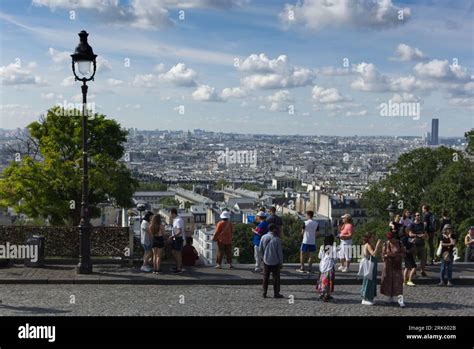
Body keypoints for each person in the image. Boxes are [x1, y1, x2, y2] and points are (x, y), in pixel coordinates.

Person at [380, 231, 406, 308]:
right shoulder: (386, 244)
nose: (390, 240)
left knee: (398, 282)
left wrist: (396, 254)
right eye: (389, 239)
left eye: (391, 239)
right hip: (388, 266)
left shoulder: (400, 243)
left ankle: (400, 300)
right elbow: (382, 255)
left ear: (394, 238)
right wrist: (386, 255)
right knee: (388, 281)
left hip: (397, 266)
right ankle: (390, 297)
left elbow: (404, 254)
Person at [259, 223, 284, 299]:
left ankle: (264, 292)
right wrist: (281, 263)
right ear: (274, 229)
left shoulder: (263, 237)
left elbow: (260, 249)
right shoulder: (277, 239)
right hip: (275, 261)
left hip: (266, 261)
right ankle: (276, 293)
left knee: (265, 277)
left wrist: (263, 257)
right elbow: (279, 253)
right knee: (276, 278)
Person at [360, 233, 382, 305]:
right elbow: (374, 254)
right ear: (369, 238)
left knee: (370, 281)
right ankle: (365, 298)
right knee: (369, 281)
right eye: (372, 237)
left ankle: (369, 297)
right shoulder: (368, 245)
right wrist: (377, 245)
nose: (373, 238)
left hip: (370, 264)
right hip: (370, 265)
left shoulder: (366, 244)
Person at [317, 235, 337, 302]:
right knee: (329, 280)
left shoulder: (322, 247)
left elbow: (319, 256)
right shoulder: (333, 248)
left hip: (322, 265)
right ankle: (327, 294)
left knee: (322, 279)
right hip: (330, 265)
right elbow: (335, 258)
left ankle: (322, 293)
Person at [408, 212, 428, 277]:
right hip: (415, 244)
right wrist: (418, 235)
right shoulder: (412, 225)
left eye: (419, 215)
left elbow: (425, 232)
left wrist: (425, 236)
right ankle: (413, 272)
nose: (418, 216)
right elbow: (410, 234)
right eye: (417, 215)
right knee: (413, 259)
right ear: (415, 216)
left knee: (423, 259)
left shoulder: (422, 224)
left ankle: (422, 271)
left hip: (422, 244)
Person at [169, 208, 184, 274]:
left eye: (170, 213)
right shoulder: (176, 219)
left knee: (178, 254)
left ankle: (179, 268)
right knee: (174, 252)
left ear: (173, 213)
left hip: (178, 238)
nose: (170, 215)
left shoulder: (178, 220)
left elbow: (179, 231)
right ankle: (178, 266)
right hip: (176, 238)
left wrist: (173, 236)